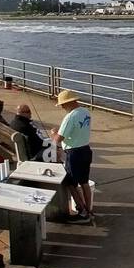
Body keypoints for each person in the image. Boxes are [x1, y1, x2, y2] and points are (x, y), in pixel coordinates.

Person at [55, 90, 95, 221]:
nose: (61, 107)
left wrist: (53, 133)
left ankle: (82, 210)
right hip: (86, 150)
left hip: (74, 153)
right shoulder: (85, 112)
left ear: (69, 103)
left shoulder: (70, 117)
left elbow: (58, 139)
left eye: (62, 104)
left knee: (70, 182)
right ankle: (89, 209)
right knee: (84, 182)